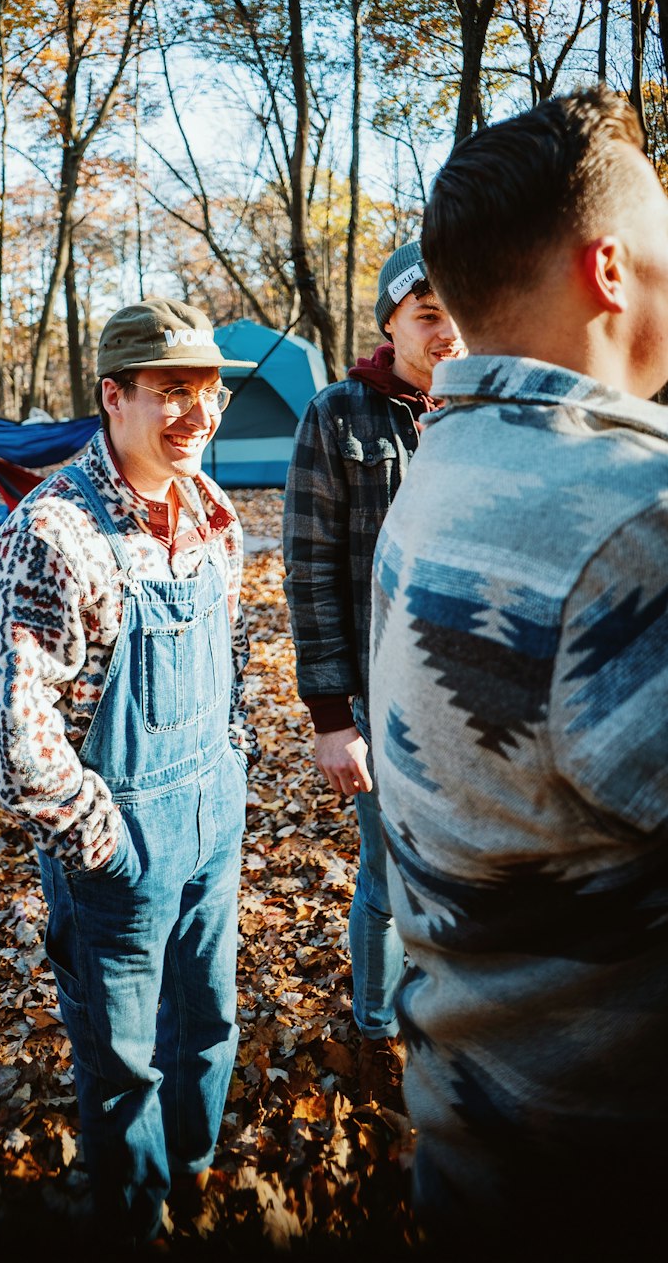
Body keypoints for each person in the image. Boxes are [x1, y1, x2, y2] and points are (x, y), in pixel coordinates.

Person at [368, 86, 668, 1254]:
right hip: (606, 1167)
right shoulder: (627, 525)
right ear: (608, 269)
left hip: (477, 1126)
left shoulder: (444, 469)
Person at [0, 298, 259, 1245]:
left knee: (208, 1026)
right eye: (172, 392)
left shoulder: (215, 513)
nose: (197, 414)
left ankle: (194, 1177)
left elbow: (239, 655)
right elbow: (13, 727)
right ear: (113, 395)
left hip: (214, 821)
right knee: (126, 1061)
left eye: (209, 393)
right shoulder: (53, 532)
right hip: (119, 852)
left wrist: (235, 768)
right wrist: (103, 844)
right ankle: (137, 1220)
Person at [282, 243, 463, 1107]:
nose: (449, 332)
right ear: (391, 323)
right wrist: (330, 716)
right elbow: (311, 570)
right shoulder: (338, 415)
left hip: (476, 699)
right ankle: (377, 1029)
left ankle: (452, 1021)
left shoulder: (490, 409)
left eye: (461, 312)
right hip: (378, 695)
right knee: (388, 878)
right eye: (429, 315)